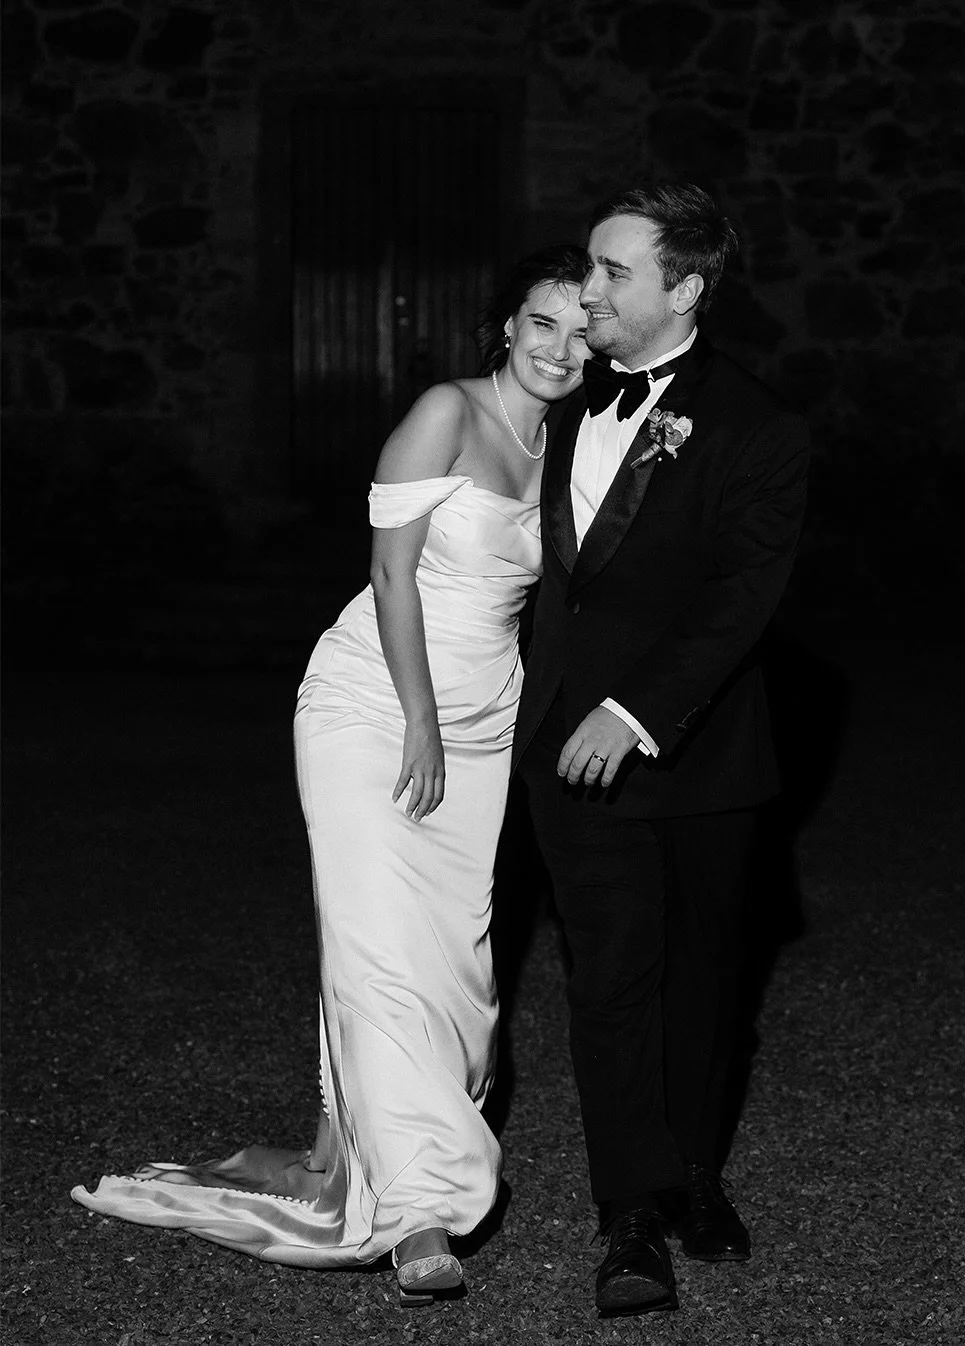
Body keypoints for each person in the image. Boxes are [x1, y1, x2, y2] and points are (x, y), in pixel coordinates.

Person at [72, 244, 591, 1306]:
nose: (561, 347)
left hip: (486, 719)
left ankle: (331, 1155)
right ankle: (416, 1214)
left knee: (453, 959)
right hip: (375, 707)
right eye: (543, 323)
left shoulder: (567, 442)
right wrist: (419, 720)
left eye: (583, 330)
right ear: (506, 325)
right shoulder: (446, 410)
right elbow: (390, 572)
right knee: (375, 943)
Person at [513, 183, 810, 1318]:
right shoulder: (556, 394)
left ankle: (694, 1169)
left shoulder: (756, 425)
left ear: (684, 288)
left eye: (615, 272)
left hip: (701, 755)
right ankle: (628, 1208)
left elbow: (741, 598)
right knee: (612, 976)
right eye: (588, 266)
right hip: (561, 753)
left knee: (709, 976)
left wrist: (635, 711)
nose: (588, 290)